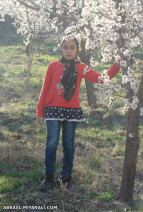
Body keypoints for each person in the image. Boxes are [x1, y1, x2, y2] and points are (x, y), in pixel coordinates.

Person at [36, 37, 120, 191]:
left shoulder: (81, 67)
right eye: (65, 47)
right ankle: (49, 177)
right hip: (52, 109)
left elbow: (101, 78)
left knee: (68, 144)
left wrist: (117, 65)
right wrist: (40, 110)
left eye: (72, 47)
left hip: (71, 111)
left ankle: (66, 177)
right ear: (61, 49)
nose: (69, 50)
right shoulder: (53, 66)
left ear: (77, 50)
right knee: (51, 143)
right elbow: (45, 88)